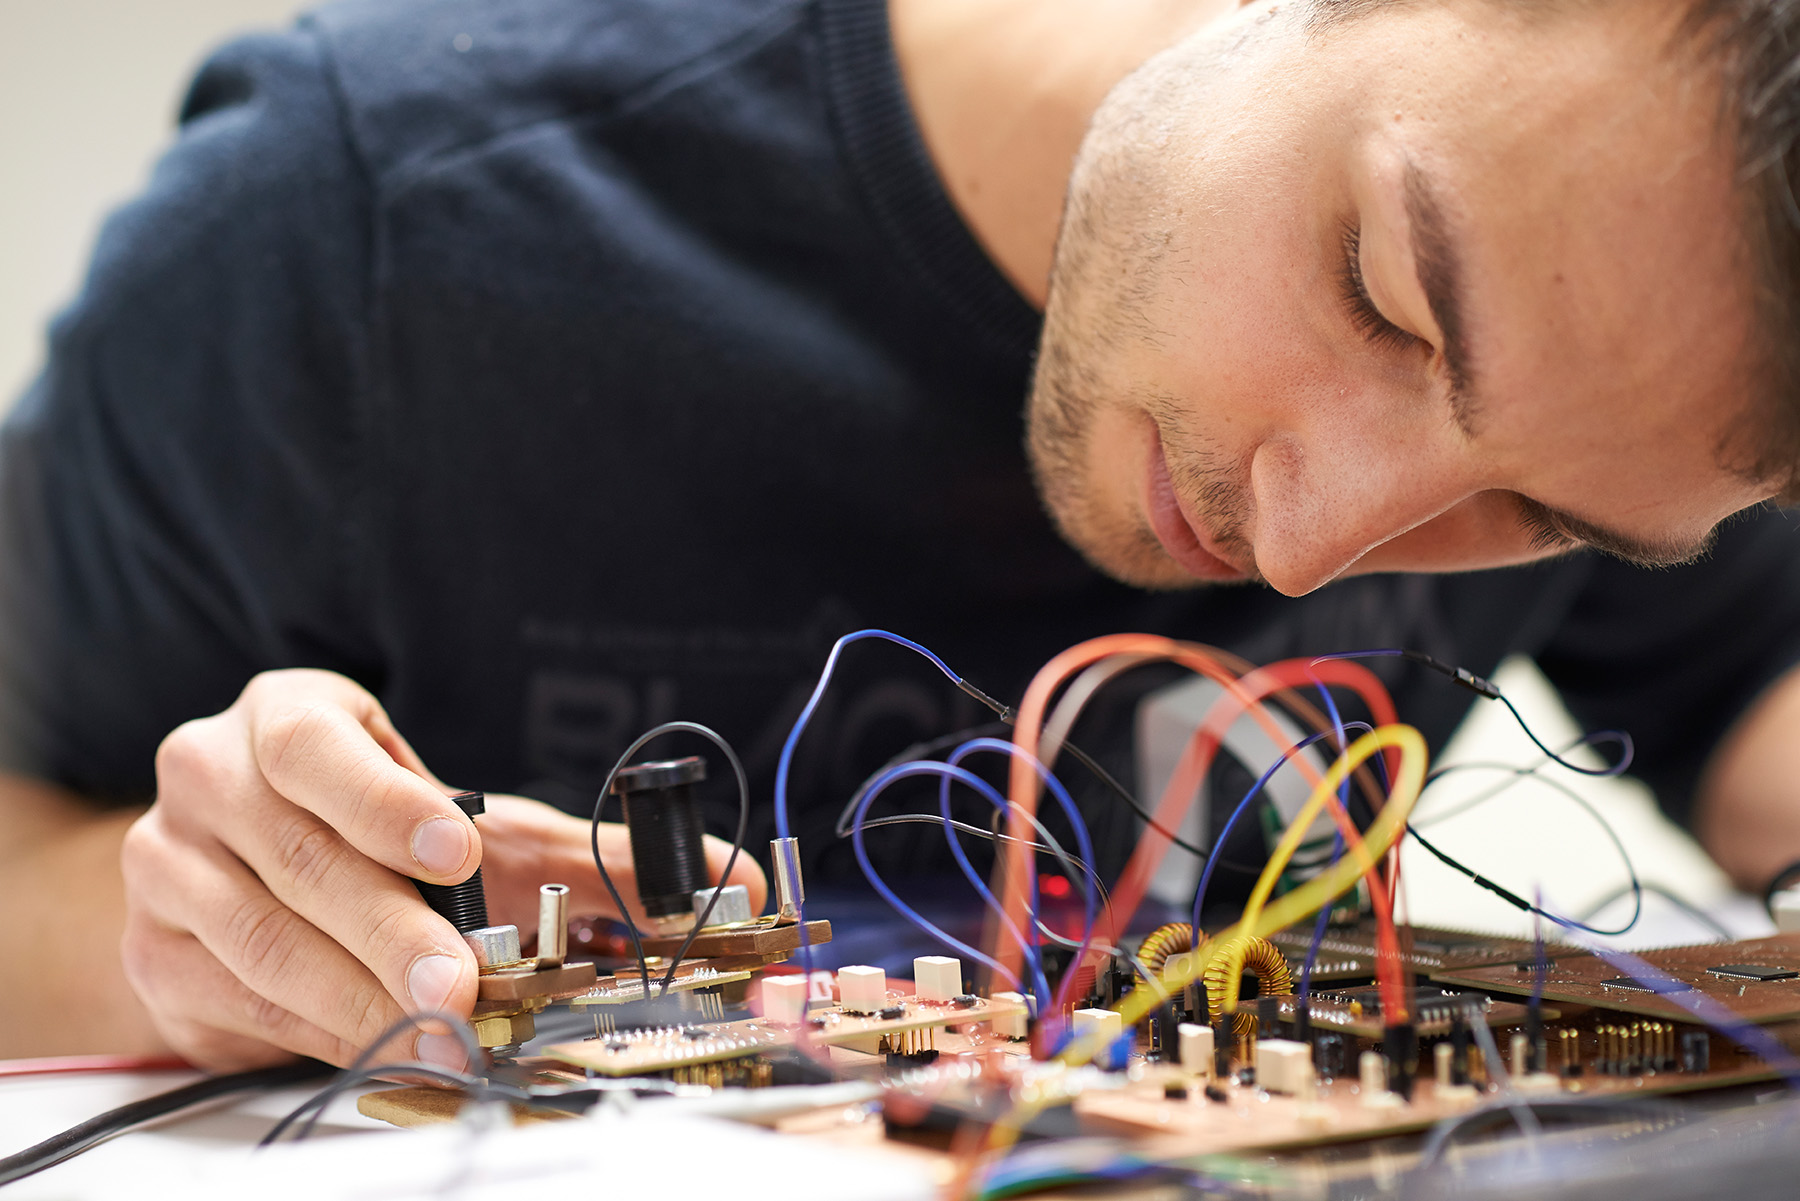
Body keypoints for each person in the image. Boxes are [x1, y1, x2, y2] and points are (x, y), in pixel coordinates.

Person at [2, 0, 1799, 1074]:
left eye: (1551, 516)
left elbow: (1764, 725)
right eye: (1387, 299)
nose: (1315, 548)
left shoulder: (1630, 303)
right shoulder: (358, 220)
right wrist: (198, 932)